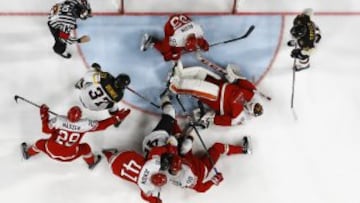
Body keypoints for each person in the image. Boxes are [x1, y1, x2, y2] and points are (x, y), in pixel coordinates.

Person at [21, 104, 130, 169]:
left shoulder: (59, 120)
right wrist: (116, 118)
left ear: (68, 113)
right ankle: (91, 163)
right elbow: (102, 126)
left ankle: (28, 153)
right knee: (85, 148)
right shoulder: (85, 124)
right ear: (80, 117)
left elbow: (45, 130)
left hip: (51, 150)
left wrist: (44, 115)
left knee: (40, 143)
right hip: (69, 156)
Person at [167, 61, 263, 126]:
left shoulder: (238, 117)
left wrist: (210, 117)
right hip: (220, 83)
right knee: (200, 73)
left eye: (255, 108)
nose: (254, 105)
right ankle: (181, 73)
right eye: (258, 105)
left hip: (215, 98)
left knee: (197, 86)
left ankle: (175, 86)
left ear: (251, 113)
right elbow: (242, 81)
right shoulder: (252, 94)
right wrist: (234, 76)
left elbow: (220, 120)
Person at [102, 141, 179, 203]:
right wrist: (155, 201)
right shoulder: (145, 187)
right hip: (114, 168)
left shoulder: (154, 165)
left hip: (123, 155)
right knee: (112, 161)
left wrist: (167, 148)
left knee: (131, 156)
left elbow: (155, 150)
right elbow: (144, 197)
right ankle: (107, 155)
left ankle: (109, 154)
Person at [167, 136, 250, 192]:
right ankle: (243, 150)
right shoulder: (187, 178)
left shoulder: (172, 172)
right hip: (203, 168)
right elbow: (202, 189)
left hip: (192, 161)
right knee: (217, 147)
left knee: (184, 142)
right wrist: (214, 180)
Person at [75, 62, 131, 127]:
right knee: (112, 104)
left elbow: (89, 76)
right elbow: (113, 89)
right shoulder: (119, 96)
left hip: (83, 95)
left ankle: (81, 83)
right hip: (93, 107)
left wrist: (99, 71)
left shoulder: (107, 76)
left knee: (94, 69)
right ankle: (116, 119)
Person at [140, 14, 209, 61]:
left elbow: (200, 40)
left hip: (182, 22)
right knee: (165, 49)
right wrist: (169, 55)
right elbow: (166, 47)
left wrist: (204, 44)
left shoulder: (198, 29)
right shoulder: (177, 39)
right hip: (170, 27)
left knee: (176, 49)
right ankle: (151, 40)